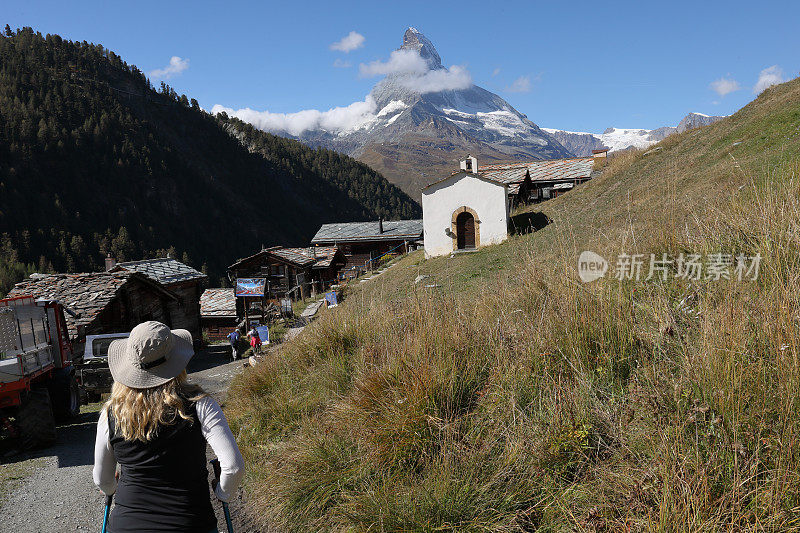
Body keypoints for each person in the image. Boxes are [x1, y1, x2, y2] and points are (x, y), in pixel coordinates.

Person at [93, 321, 244, 533]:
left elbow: (102, 479)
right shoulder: (201, 404)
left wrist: (111, 488)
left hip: (128, 526)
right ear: (177, 361)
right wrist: (222, 493)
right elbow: (233, 466)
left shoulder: (111, 414)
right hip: (191, 524)